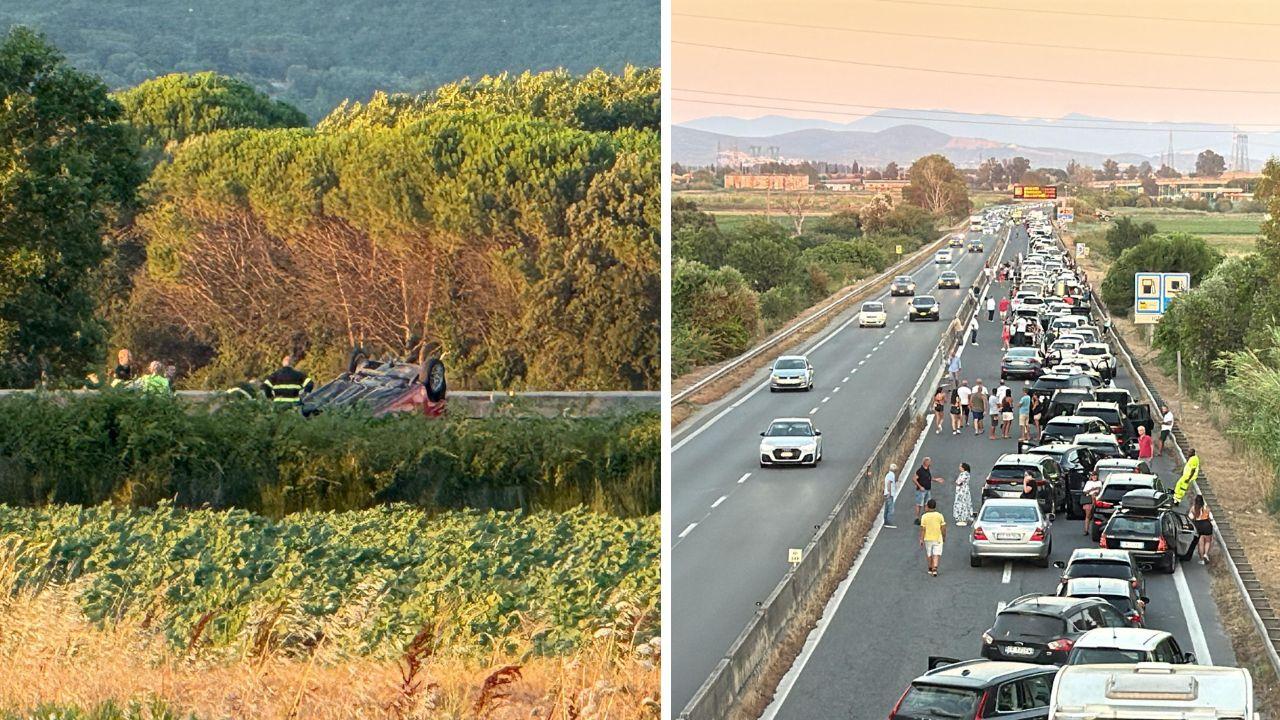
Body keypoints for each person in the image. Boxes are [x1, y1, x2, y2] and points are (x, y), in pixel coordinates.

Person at [919, 499, 947, 577]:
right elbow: (943, 527)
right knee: (936, 553)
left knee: (929, 553)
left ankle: (930, 568)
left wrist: (921, 539)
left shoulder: (924, 516)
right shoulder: (939, 515)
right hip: (938, 537)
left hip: (927, 538)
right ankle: (935, 568)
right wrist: (944, 536)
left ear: (927, 506)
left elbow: (923, 529)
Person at [1191, 494, 1214, 564]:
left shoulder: (1193, 508)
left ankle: (1201, 559)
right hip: (1207, 525)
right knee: (1208, 541)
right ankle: (1206, 554)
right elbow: (1210, 518)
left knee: (1200, 543)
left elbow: (1191, 517)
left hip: (1198, 525)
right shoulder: (1206, 508)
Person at [914, 457, 934, 525]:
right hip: (921, 491)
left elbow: (928, 478)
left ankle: (925, 518)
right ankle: (917, 518)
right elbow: (914, 479)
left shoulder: (927, 469)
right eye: (929, 462)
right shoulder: (920, 471)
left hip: (928, 490)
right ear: (926, 462)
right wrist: (920, 487)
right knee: (919, 504)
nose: (930, 463)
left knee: (926, 504)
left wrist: (936, 479)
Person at [1082, 470, 1102, 536]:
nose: (1094, 477)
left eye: (1095, 475)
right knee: (1088, 516)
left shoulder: (1099, 482)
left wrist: (1096, 492)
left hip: (1096, 499)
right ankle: (1086, 530)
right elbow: (1085, 492)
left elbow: (1100, 490)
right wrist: (1092, 490)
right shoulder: (1088, 483)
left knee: (1096, 516)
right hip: (1089, 500)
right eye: (1093, 475)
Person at [883, 463, 899, 528]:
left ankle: (886, 521)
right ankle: (888, 522)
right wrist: (889, 492)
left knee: (886, 508)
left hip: (886, 493)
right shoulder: (891, 475)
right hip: (889, 494)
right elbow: (889, 483)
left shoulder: (888, 474)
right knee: (890, 509)